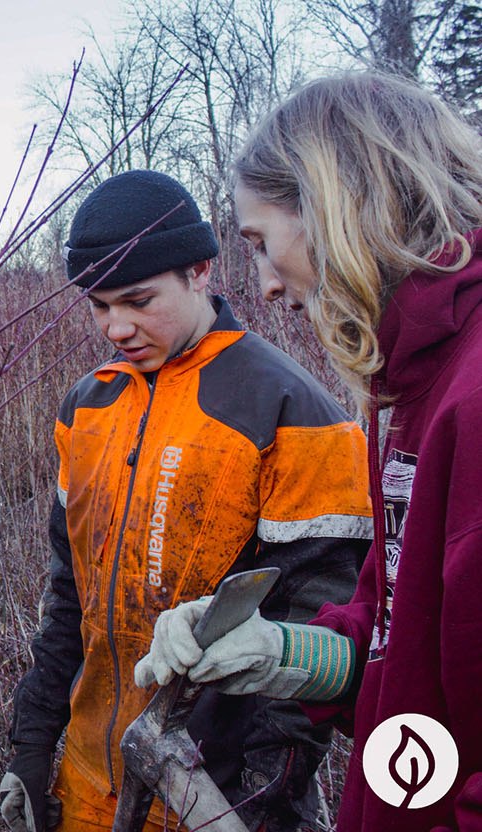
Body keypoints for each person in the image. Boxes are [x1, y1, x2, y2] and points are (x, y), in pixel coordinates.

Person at [135, 73, 482, 831]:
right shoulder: (417, 388)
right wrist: (282, 651)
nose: (261, 285)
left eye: (261, 242)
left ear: (340, 207)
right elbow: (407, 643)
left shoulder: (475, 398)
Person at [1, 170, 373, 832]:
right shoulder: (87, 407)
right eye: (99, 304)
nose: (116, 326)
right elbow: (69, 599)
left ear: (200, 270)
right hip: (88, 784)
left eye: (139, 300)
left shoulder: (294, 413)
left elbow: (314, 636)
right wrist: (32, 750)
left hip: (210, 796)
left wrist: (261, 804)